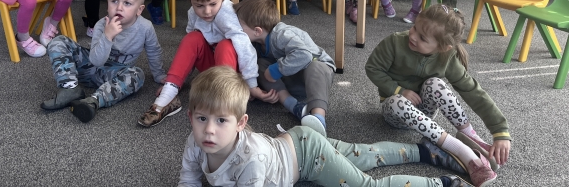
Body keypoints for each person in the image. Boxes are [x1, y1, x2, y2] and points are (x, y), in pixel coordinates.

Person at [178, 65, 472, 187]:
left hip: (309, 157)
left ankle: (443, 184)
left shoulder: (249, 160)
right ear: (190, 117)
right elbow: (188, 179)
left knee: (367, 184)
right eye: (202, 119)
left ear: (241, 123)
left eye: (221, 120)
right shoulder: (194, 142)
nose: (209, 130)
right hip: (297, 140)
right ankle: (425, 151)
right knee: (363, 154)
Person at [366, 4, 511, 187]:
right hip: (396, 114)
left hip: (425, 112)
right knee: (397, 102)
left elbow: (472, 90)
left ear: (443, 48)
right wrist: (399, 90)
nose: (412, 35)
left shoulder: (447, 56)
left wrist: (500, 131)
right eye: (414, 27)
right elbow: (373, 68)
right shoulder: (394, 42)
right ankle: (462, 151)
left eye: (422, 37)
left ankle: (470, 135)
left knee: (436, 83)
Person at [138, 0, 277, 128]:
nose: (207, 11)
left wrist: (251, 85)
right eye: (199, 5)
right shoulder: (192, 13)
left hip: (232, 72)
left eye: (212, 4)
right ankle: (169, 94)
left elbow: (245, 47)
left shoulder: (227, 13)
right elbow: (190, 51)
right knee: (192, 38)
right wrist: (176, 81)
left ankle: (225, 98)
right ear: (191, 0)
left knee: (226, 45)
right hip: (211, 66)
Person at [40, 0, 166, 123]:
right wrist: (107, 36)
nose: (119, 7)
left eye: (127, 3)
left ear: (139, 9)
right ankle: (69, 88)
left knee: (137, 75)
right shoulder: (101, 24)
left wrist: (159, 74)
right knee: (59, 41)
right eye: (114, 1)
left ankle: (94, 101)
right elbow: (96, 60)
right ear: (107, 3)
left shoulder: (146, 27)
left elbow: (154, 51)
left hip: (116, 76)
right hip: (89, 68)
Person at [234, 0, 335, 133]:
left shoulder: (281, 34)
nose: (236, 31)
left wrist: (275, 70)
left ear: (257, 31)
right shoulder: (255, 44)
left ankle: (318, 117)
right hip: (294, 80)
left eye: (240, 27)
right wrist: (250, 87)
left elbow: (304, 55)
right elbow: (250, 67)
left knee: (315, 66)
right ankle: (294, 106)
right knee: (261, 64)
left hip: (318, 74)